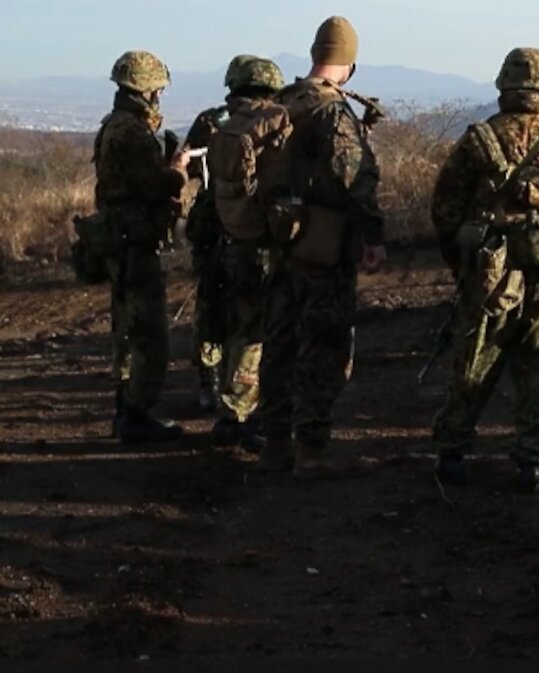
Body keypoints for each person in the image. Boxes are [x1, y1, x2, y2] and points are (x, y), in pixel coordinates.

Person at [430, 47, 539, 493]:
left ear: (503, 87)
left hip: (488, 271)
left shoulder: (477, 141)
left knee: (474, 358)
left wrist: (462, 264)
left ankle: (452, 453)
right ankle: (533, 461)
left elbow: (445, 210)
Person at [256, 16, 387, 478]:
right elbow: (356, 176)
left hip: (283, 239)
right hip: (326, 246)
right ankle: (309, 450)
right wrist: (373, 233)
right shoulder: (333, 111)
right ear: (348, 63)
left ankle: (273, 442)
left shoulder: (282, 101)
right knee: (324, 344)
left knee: (280, 340)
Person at [93, 50, 191, 444]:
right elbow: (157, 185)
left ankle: (125, 411)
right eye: (157, 91)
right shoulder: (131, 132)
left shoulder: (113, 125)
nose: (159, 98)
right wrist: (179, 169)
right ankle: (137, 415)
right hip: (133, 241)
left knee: (127, 327)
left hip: (122, 239)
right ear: (145, 89)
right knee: (149, 332)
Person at [197, 56, 287, 452]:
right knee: (255, 331)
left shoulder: (218, 125)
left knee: (226, 321)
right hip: (259, 245)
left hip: (223, 240)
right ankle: (239, 415)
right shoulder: (276, 123)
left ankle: (222, 402)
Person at [183, 57, 248, 414]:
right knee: (245, 312)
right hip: (240, 228)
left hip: (214, 226)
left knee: (211, 308)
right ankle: (231, 389)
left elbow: (192, 168)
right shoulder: (271, 119)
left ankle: (211, 385)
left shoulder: (211, 120)